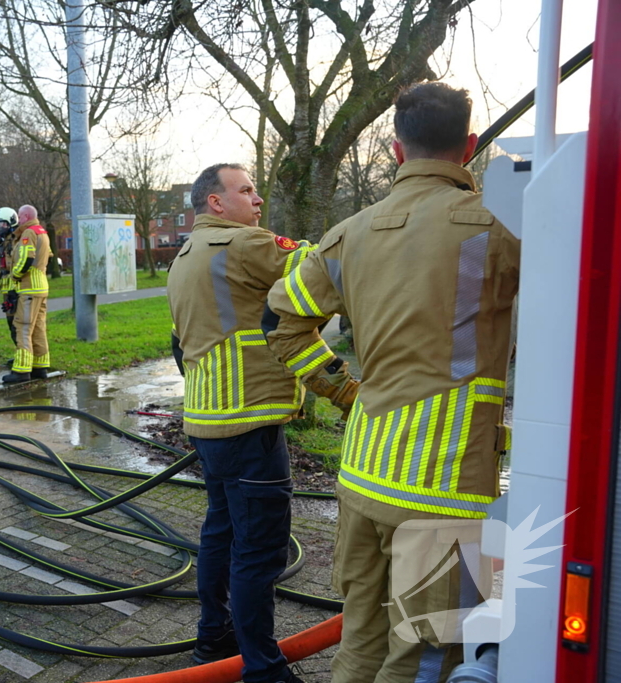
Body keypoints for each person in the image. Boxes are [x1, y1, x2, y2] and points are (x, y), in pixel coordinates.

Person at [266, 82, 520, 683]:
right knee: (423, 662)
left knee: (361, 646)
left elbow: (279, 323)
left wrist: (343, 389)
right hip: (444, 494)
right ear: (471, 144)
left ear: (398, 150)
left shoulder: (349, 233)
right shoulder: (503, 229)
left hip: (360, 482)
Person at [167, 163, 316, 683]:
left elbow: (178, 344)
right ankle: (263, 669)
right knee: (259, 550)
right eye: (246, 190)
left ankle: (214, 637)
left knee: (221, 533)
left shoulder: (183, 256)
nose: (257, 200)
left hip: (206, 420)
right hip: (249, 419)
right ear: (215, 202)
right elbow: (322, 264)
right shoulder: (245, 243)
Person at [2, 204, 51, 384]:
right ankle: (40, 367)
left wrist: (14, 276)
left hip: (29, 287)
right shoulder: (42, 232)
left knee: (22, 326)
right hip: (41, 286)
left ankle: (21, 371)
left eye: (20, 216)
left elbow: (26, 259)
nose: (18, 219)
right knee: (38, 327)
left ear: (26, 216)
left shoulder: (29, 233)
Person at [0, 207, 20, 347]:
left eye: (2, 224)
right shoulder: (2, 244)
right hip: (6, 291)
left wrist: (15, 291)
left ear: (11, 223)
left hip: (16, 290)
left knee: (18, 325)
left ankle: (25, 356)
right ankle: (19, 353)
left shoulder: (16, 242)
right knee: (10, 324)